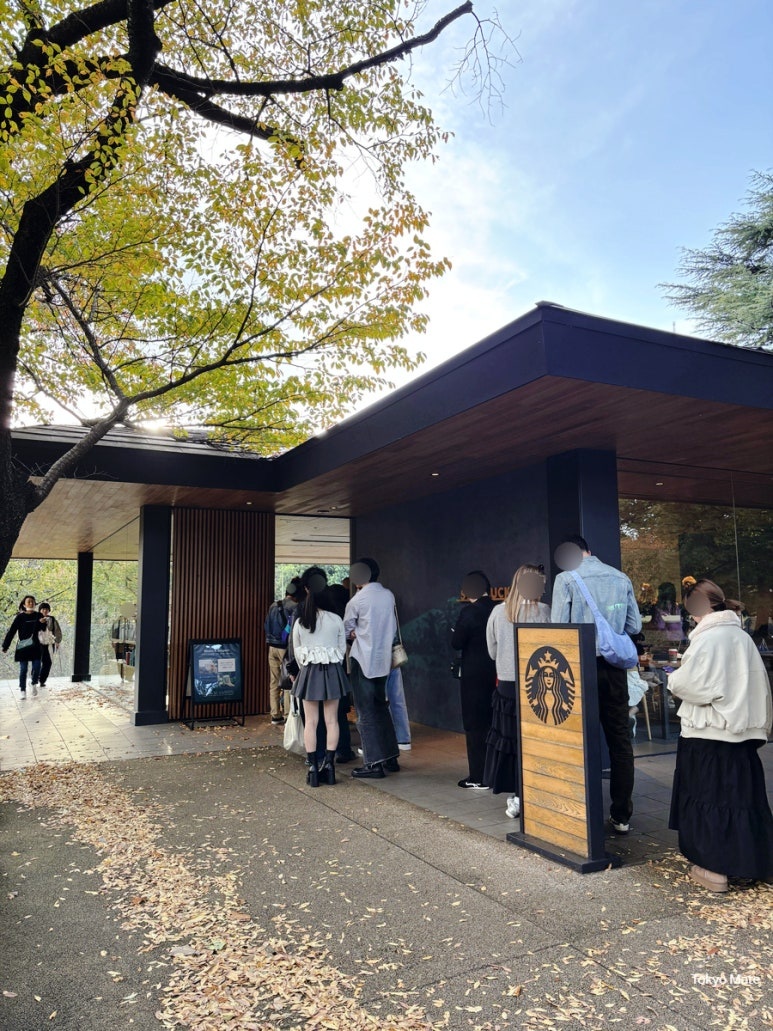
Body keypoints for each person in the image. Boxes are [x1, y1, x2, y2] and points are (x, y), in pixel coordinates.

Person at [667, 579, 773, 892]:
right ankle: (751, 862)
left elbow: (691, 684)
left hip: (709, 731)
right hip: (741, 733)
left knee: (707, 797)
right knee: (741, 799)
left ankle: (713, 870)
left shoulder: (709, 639)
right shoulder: (741, 636)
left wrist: (673, 679)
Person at [551, 534, 642, 834]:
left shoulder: (566, 579)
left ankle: (579, 809)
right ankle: (621, 815)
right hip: (614, 670)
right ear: (590, 550)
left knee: (577, 739)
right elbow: (634, 626)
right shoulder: (620, 577)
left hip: (578, 669)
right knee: (619, 742)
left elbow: (558, 630)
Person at [485, 564, 551, 817]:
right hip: (539, 685)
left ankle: (517, 795)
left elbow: (491, 651)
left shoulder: (498, 612)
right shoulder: (545, 611)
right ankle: (537, 792)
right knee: (537, 741)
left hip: (508, 685)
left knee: (511, 741)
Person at [344, 557, 400, 779]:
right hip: (384, 659)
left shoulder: (357, 601)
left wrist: (356, 633)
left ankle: (373, 763)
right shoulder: (388, 595)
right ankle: (391, 757)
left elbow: (346, 629)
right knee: (381, 707)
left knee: (365, 711)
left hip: (363, 659)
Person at [291, 584, 350, 787]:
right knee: (332, 721)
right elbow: (342, 650)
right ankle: (330, 766)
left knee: (311, 722)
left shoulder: (301, 621)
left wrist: (305, 669)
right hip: (332, 670)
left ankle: (313, 768)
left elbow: (297, 651)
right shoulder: (336, 619)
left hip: (309, 672)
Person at [450, 571, 497, 790]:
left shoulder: (469, 612)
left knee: (475, 725)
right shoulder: (498, 608)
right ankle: (495, 773)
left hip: (474, 675)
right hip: (497, 673)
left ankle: (478, 776)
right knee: (494, 724)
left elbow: (457, 642)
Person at [263, 579, 301, 724]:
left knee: (274, 681)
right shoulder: (295, 607)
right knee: (287, 681)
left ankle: (275, 715)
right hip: (285, 648)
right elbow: (294, 628)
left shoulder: (273, 605)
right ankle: (286, 714)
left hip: (271, 647)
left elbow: (266, 625)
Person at [3, 595, 47, 697]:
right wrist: (6, 646)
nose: (31, 603)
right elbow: (12, 631)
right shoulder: (20, 617)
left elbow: (43, 630)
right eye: (29, 602)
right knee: (23, 669)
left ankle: (33, 683)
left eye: (33, 602)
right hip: (23, 647)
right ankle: (23, 690)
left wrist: (43, 623)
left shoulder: (39, 615)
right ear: (24, 604)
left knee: (37, 667)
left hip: (36, 647)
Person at [37, 602, 62, 688]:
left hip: (49, 644)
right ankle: (35, 677)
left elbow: (57, 631)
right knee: (37, 662)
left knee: (47, 662)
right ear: (40, 610)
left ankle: (42, 680)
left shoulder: (52, 619)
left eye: (46, 609)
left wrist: (57, 641)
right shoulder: (36, 618)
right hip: (38, 644)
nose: (45, 610)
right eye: (43, 609)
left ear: (49, 610)